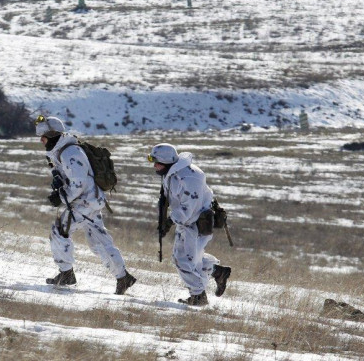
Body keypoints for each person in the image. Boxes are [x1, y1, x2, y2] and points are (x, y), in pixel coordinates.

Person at [35, 115, 137, 294]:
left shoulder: (70, 152)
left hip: (84, 202)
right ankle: (123, 277)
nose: (41, 140)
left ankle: (66, 273)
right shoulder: (61, 151)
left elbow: (79, 183)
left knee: (59, 231)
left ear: (52, 135)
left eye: (43, 136)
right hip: (90, 201)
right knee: (99, 243)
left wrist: (61, 196)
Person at [148, 144, 231, 306]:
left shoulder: (189, 177)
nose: (154, 165)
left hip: (198, 224)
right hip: (187, 223)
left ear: (167, 161)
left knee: (182, 260)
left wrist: (169, 222)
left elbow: (188, 208)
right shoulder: (171, 173)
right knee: (192, 259)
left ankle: (199, 296)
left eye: (156, 161)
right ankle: (217, 272)